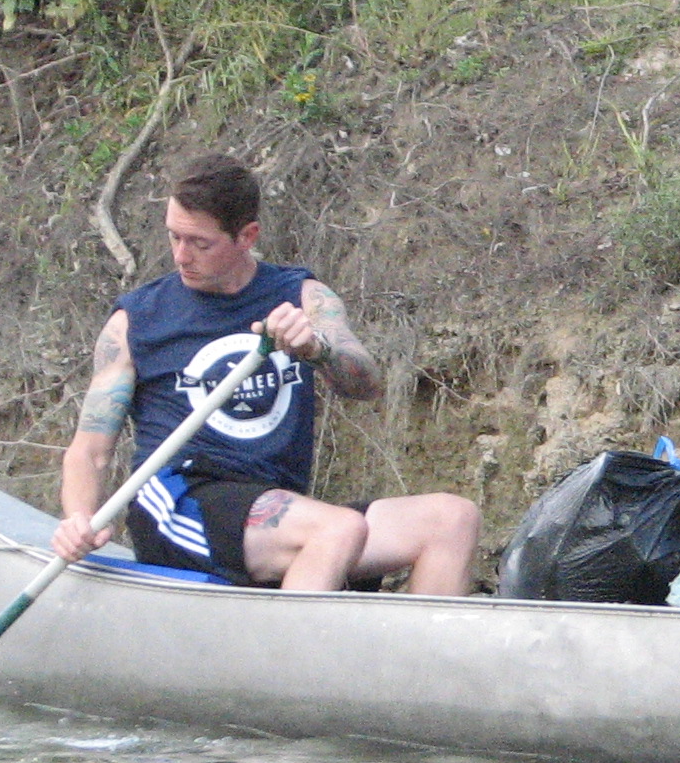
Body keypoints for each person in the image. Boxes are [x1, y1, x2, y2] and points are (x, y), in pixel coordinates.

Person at [52, 153, 479, 593]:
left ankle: (410, 661)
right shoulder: (139, 319)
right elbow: (90, 450)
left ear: (246, 236)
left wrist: (316, 349)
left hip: (277, 510)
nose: (182, 256)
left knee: (451, 519)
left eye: (200, 243)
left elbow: (366, 383)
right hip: (180, 500)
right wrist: (78, 519)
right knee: (336, 529)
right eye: (174, 237)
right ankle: (292, 658)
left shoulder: (302, 296)